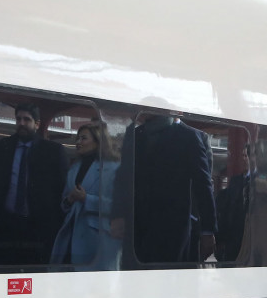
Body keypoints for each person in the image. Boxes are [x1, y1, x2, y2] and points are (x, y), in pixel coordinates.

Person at [110, 112, 216, 266]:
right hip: (137, 225)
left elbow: (203, 184)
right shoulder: (134, 135)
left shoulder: (189, 137)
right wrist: (117, 214)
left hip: (173, 226)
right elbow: (123, 177)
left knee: (168, 277)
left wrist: (207, 230)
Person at [0, 103, 68, 265]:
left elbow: (61, 187)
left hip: (39, 226)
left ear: (37, 124)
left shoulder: (53, 151)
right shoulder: (4, 147)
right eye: (18, 119)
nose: (21, 123)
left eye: (27, 119)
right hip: (7, 224)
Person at [50, 122, 121, 270]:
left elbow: (118, 205)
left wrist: (86, 199)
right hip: (70, 234)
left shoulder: (113, 168)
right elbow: (64, 201)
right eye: (78, 138)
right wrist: (69, 200)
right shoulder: (74, 168)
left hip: (96, 239)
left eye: (83, 138)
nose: (78, 143)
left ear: (97, 141)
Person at [215, 145, 250, 262]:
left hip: (249, 235)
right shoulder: (235, 181)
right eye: (242, 156)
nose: (243, 159)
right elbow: (227, 209)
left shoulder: (259, 180)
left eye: (246, 156)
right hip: (232, 235)